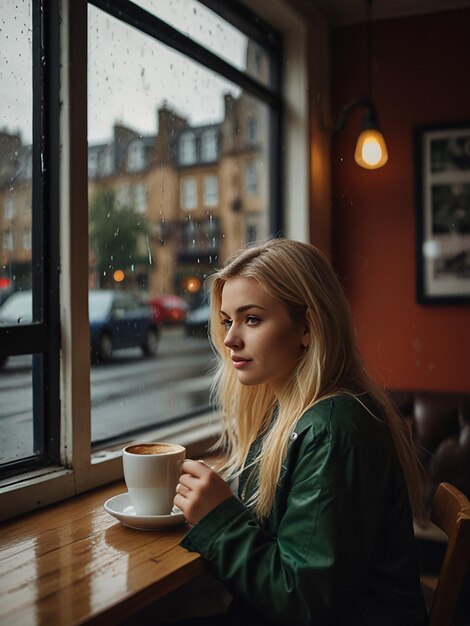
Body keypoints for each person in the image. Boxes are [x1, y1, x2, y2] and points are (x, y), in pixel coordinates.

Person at [174, 238, 427, 626]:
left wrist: (219, 519)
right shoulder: (291, 413)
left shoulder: (332, 430)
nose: (229, 339)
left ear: (307, 326)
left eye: (252, 319)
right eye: (227, 321)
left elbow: (303, 601)